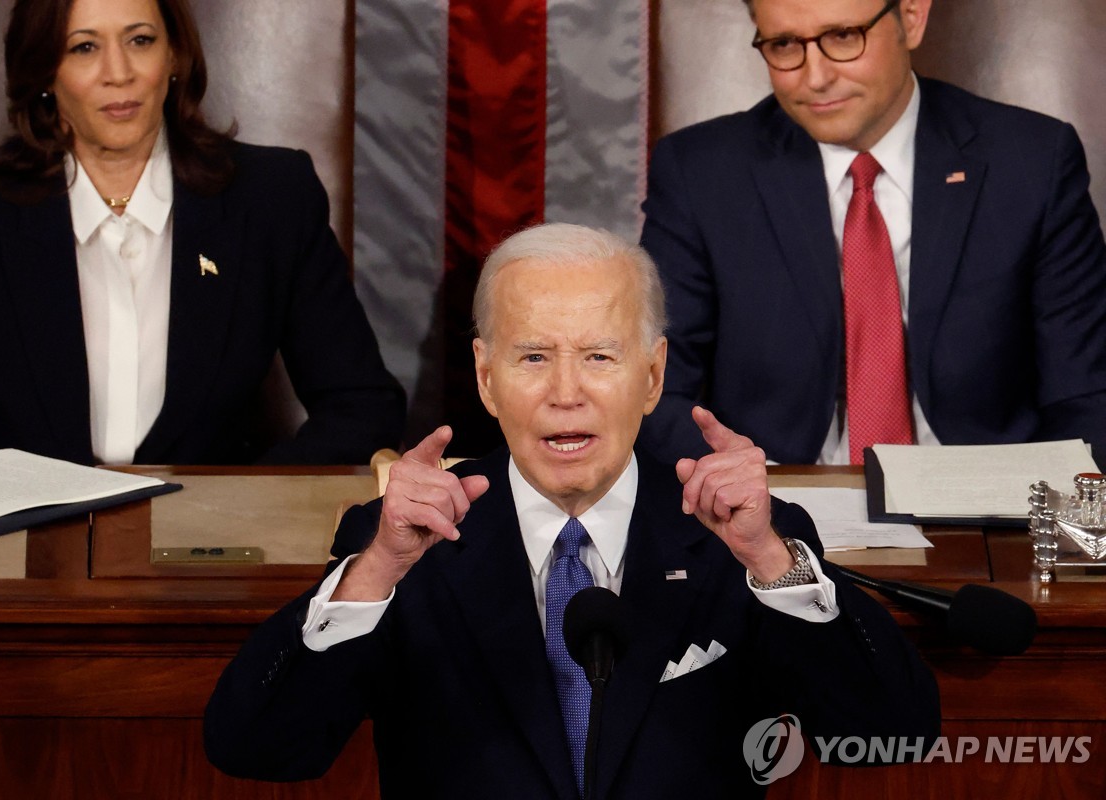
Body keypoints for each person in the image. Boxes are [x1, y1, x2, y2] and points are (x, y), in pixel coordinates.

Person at [203, 223, 939, 798]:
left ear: (652, 377)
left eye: (599, 356)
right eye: (532, 358)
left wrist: (771, 562)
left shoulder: (739, 536)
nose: (566, 392)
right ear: (486, 380)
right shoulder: (401, 544)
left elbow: (892, 737)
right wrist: (376, 573)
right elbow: (255, 750)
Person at [0, 0, 404, 466]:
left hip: (203, 547)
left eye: (140, 40)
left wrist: (242, 504)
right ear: (45, 72)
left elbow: (361, 407)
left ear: (174, 56)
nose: (118, 73)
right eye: (85, 47)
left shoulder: (272, 197)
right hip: (7, 542)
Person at [639, 0, 1106, 466]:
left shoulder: (1032, 162)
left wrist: (1047, 521)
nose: (816, 76)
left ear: (911, 18)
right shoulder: (701, 173)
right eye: (784, 45)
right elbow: (654, 389)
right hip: (774, 500)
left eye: (844, 37)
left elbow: (1085, 392)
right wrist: (735, 486)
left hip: (986, 506)